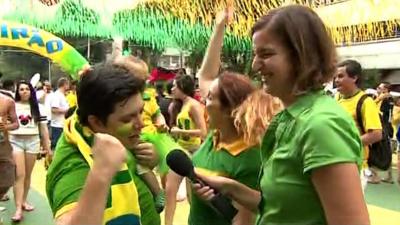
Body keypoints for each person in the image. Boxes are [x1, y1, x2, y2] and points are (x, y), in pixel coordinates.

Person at [193, 5, 370, 225]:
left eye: (266, 54)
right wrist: (231, 188)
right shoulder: (290, 117)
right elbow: (281, 209)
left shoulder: (321, 125)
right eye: (255, 55)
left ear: (301, 56)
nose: (256, 65)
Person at [188, 7, 282, 225]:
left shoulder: (250, 157)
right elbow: (206, 75)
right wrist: (219, 27)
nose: (203, 100)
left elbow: (243, 220)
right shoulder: (215, 137)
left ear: (229, 110)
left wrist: (219, 200)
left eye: (210, 98)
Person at [46, 62, 161, 225]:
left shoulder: (113, 133)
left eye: (141, 111)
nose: (141, 123)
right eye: (128, 118)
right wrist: (101, 173)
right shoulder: (73, 165)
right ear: (97, 122)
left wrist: (150, 159)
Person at [165, 74, 207, 225]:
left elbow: (203, 132)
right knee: (170, 191)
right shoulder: (176, 106)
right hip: (181, 150)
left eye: (176, 85)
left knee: (192, 196)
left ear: (183, 87)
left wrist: (180, 132)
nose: (173, 88)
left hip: (194, 152)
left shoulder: (194, 106)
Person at [335, 60, 383, 185]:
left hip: (354, 164)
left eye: (340, 76)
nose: (336, 80)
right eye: (335, 77)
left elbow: (376, 134)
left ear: (354, 78)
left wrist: (346, 143)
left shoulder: (365, 102)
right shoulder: (336, 98)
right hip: (334, 161)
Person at [8, 81, 51, 222]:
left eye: (27, 89)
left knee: (27, 175)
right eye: (21, 89)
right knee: (19, 175)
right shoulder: (12, 105)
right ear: (17, 91)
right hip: (16, 142)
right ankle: (18, 208)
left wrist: (48, 149)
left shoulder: (39, 107)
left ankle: (24, 201)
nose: (24, 91)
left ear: (31, 91)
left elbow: (43, 130)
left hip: (33, 142)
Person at [0, 93, 19, 203]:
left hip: (3, 147)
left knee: (8, 179)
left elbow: (16, 124)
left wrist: (5, 127)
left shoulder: (7, 101)